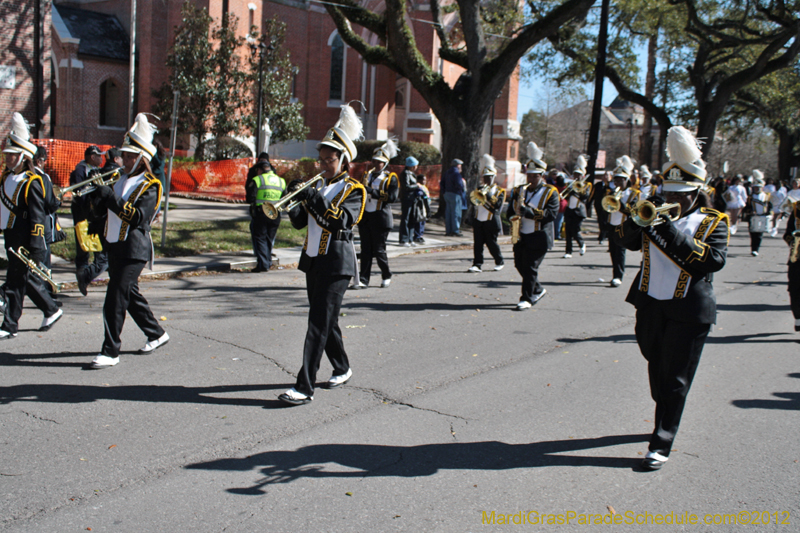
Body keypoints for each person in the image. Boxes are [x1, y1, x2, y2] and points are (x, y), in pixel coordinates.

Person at [612, 126, 728, 471]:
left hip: (689, 310)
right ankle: (665, 411)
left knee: (675, 378)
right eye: (671, 193)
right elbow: (623, 241)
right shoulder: (653, 212)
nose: (675, 200)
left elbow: (713, 261)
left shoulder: (712, 222)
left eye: (683, 194)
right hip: (650, 304)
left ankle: (660, 442)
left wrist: (668, 230)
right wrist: (637, 220)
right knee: (656, 366)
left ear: (696, 192)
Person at [278, 104, 366, 406]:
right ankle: (342, 367)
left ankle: (304, 387)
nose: (324, 165)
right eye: (322, 160)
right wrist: (293, 202)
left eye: (329, 160)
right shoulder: (322, 186)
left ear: (343, 160)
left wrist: (311, 196)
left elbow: (339, 221)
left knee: (317, 323)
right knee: (326, 321)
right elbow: (303, 221)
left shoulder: (354, 190)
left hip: (337, 264)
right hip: (314, 260)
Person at [88, 114, 168, 369]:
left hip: (134, 250)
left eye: (132, 156)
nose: (126, 160)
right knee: (128, 295)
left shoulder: (151, 186)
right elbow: (108, 211)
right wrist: (96, 204)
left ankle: (110, 351)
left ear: (143, 158)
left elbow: (138, 218)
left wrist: (109, 198)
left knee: (114, 298)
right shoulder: (120, 180)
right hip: (114, 245)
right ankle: (156, 333)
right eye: (125, 155)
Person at [0, 113, 63, 339]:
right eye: (6, 154)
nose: (8, 158)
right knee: (21, 279)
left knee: (16, 281)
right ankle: (51, 309)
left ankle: (10, 325)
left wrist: (37, 245)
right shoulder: (6, 178)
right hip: (10, 235)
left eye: (12, 154)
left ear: (24, 155)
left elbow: (37, 217)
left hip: (25, 237)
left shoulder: (32, 181)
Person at [506, 142, 559, 310]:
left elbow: (551, 215)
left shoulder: (551, 192)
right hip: (521, 234)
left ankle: (527, 298)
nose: (531, 178)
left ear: (542, 175)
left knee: (530, 266)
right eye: (529, 175)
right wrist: (514, 216)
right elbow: (509, 212)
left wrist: (527, 212)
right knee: (519, 265)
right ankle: (538, 289)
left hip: (539, 236)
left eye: (535, 176)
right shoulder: (518, 190)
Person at [356, 139, 398, 288]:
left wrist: (372, 192)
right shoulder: (366, 175)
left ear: (385, 163)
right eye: (375, 161)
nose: (376, 164)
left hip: (381, 217)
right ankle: (363, 279)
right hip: (366, 216)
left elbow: (392, 197)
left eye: (380, 161)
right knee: (365, 250)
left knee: (379, 250)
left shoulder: (390, 177)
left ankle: (386, 274)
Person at [245, 152, 286, 273]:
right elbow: (285, 197)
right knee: (269, 238)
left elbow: (250, 198)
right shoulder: (281, 181)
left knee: (260, 238)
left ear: (260, 169)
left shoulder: (258, 179)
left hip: (261, 212)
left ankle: (263, 264)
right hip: (276, 213)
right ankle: (267, 262)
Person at [70, 145, 105, 281]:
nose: (101, 159)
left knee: (95, 236)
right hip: (82, 210)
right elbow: (79, 192)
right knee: (82, 236)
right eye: (99, 156)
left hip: (93, 210)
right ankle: (82, 265)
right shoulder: (80, 170)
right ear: (92, 157)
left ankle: (97, 262)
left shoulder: (96, 169)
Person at [467, 154, 505, 273]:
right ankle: (477, 264)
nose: (486, 180)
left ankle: (499, 261)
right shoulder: (479, 188)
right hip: (479, 220)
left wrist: (488, 195)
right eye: (485, 177)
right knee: (478, 244)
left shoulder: (499, 191)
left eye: (489, 177)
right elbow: (474, 202)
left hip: (491, 220)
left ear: (493, 177)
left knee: (491, 243)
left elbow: (497, 206)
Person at [606, 156, 639, 288]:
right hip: (612, 224)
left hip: (624, 226)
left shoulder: (634, 194)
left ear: (627, 180)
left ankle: (618, 276)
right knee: (613, 251)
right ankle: (615, 272)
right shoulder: (611, 192)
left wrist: (618, 202)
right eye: (616, 179)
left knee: (620, 251)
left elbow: (631, 211)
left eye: (621, 179)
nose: (618, 182)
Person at [562, 155, 591, 258]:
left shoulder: (586, 185)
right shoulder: (570, 184)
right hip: (569, 210)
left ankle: (582, 244)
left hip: (579, 211)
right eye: (575, 174)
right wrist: (570, 190)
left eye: (579, 175)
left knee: (575, 230)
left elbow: (585, 197)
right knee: (568, 232)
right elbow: (565, 196)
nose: (576, 177)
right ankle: (568, 251)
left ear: (582, 176)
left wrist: (577, 191)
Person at [742, 170, 770, 256]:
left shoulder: (766, 196)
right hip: (753, 217)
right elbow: (746, 207)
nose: (757, 189)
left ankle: (756, 249)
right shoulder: (750, 197)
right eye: (755, 187)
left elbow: (770, 206)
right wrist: (749, 211)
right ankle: (753, 249)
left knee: (759, 234)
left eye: (758, 187)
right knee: (752, 234)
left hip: (762, 217)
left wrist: (768, 212)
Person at [783, 197, 800, 332]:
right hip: (797, 258)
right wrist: (793, 243)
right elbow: (787, 234)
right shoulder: (797, 208)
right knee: (794, 290)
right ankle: (798, 317)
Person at [398, 156, 419, 245]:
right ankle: (404, 238)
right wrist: (417, 186)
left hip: (412, 198)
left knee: (412, 218)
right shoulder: (405, 174)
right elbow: (406, 186)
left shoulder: (411, 173)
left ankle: (410, 238)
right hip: (407, 198)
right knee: (405, 218)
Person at [441, 158, 465, 236]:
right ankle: (455, 230)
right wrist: (461, 191)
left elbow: (442, 183)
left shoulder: (447, 172)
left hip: (447, 193)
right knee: (456, 213)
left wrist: (444, 192)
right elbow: (459, 184)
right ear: (458, 165)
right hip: (455, 194)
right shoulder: (457, 174)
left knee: (448, 212)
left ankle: (448, 230)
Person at [592, 171, 612, 244]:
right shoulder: (598, 184)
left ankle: (602, 236)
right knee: (600, 221)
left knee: (606, 221)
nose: (605, 177)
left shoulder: (611, 185)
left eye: (607, 175)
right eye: (604, 175)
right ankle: (603, 235)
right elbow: (593, 194)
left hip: (608, 206)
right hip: (599, 205)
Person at [411, 174, 431, 243]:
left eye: (425, 180)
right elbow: (420, 195)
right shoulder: (418, 187)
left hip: (425, 205)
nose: (424, 181)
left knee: (423, 221)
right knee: (419, 221)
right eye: (423, 179)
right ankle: (417, 236)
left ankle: (421, 235)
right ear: (419, 180)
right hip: (421, 206)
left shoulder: (424, 187)